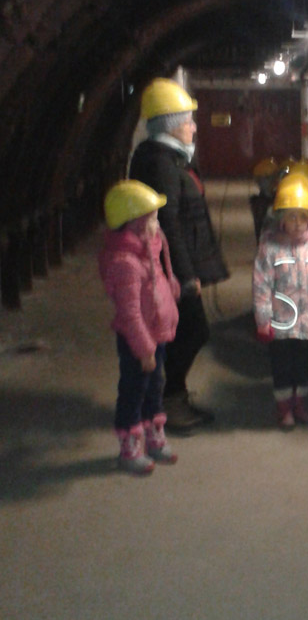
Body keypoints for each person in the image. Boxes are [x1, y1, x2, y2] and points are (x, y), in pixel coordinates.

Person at [129, 77, 228, 432]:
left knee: (183, 331)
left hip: (171, 266)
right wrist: (185, 276)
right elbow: (168, 224)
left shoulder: (170, 157)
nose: (194, 127)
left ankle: (169, 396)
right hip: (167, 269)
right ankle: (167, 399)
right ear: (169, 125)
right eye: (187, 121)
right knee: (192, 331)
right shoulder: (161, 164)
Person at [98, 181, 180, 474]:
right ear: (134, 223)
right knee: (133, 390)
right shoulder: (126, 263)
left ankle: (153, 433)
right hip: (138, 340)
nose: (158, 224)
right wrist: (144, 350)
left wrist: (170, 290)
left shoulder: (147, 248)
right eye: (152, 218)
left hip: (155, 333)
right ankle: (129, 445)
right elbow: (130, 314)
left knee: (155, 387)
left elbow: (155, 283)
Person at [253, 179, 308, 428]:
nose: (297, 223)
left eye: (302, 217)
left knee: (303, 367)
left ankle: (300, 406)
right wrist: (263, 322)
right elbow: (262, 287)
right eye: (291, 216)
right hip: (281, 325)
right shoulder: (270, 250)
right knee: (283, 368)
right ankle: (284, 409)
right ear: (281, 219)